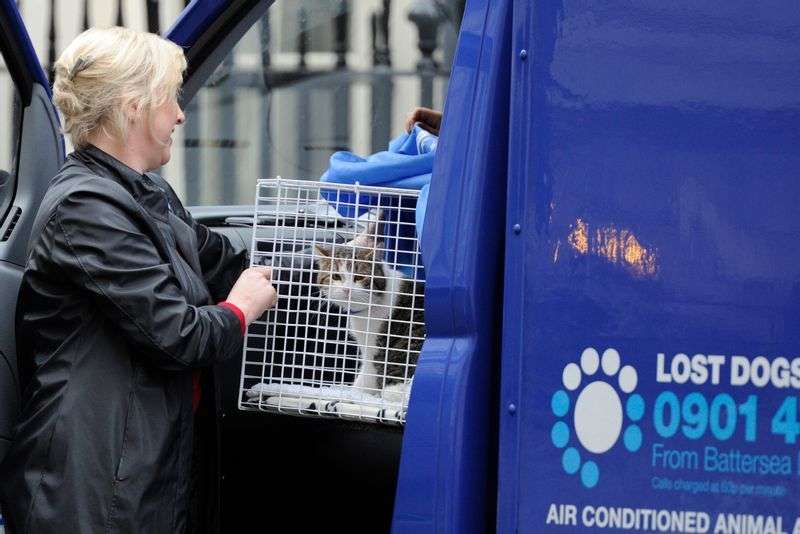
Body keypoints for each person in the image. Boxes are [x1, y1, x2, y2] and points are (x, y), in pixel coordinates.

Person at [0, 27, 276, 533]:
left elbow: (222, 257)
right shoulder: (85, 206)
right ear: (134, 107)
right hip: (93, 486)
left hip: (139, 473)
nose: (180, 114)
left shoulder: (148, 195)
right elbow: (179, 336)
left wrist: (332, 258)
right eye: (170, 98)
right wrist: (240, 309)